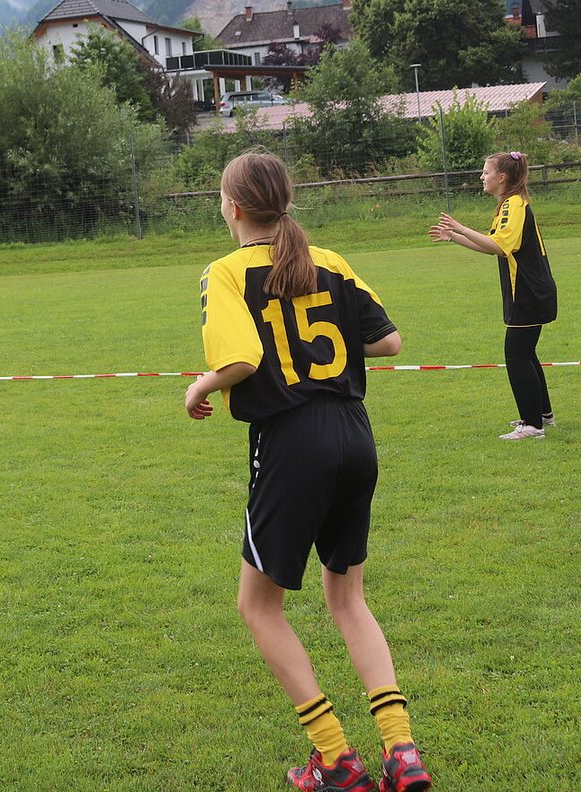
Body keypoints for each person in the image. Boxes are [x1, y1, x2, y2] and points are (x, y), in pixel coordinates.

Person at [185, 150, 429, 792]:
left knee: (258, 606)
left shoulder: (226, 271)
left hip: (292, 442)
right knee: (348, 598)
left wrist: (198, 388)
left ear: (234, 208)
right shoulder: (330, 261)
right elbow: (388, 341)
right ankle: (401, 751)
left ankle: (335, 759)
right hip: (354, 435)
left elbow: (240, 359)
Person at [429, 151, 557, 442]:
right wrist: (455, 237)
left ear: (502, 177)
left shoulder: (514, 204)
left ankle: (532, 425)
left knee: (516, 355)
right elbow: (492, 247)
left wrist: (461, 227)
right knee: (526, 353)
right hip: (530, 291)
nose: (481, 177)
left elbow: (500, 246)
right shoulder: (508, 204)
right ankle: (543, 415)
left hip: (528, 292)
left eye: (486, 172)